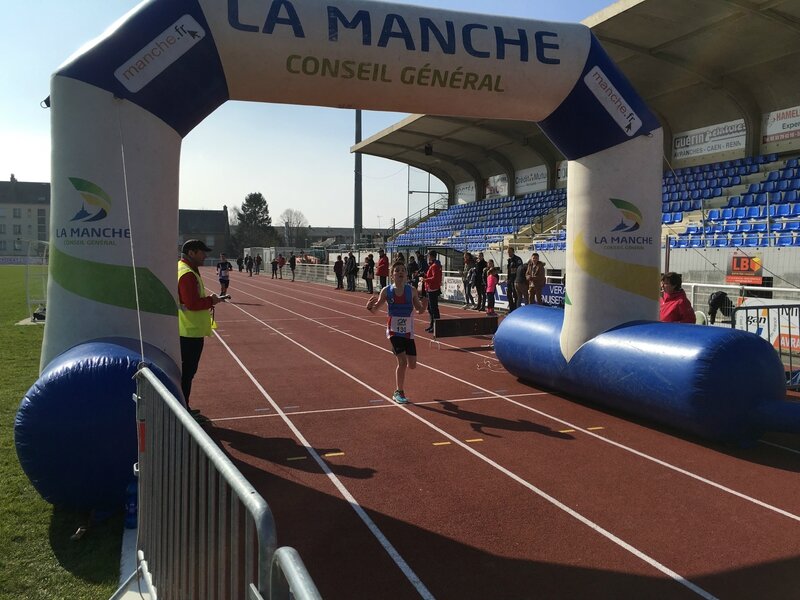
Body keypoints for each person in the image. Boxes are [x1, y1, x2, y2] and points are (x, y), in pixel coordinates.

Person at [366, 261, 428, 404]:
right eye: (397, 270)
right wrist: (369, 307)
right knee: (402, 361)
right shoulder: (386, 291)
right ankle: (398, 392)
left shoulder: (412, 291)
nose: (400, 272)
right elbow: (375, 310)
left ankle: (399, 388)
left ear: (406, 274)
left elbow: (419, 310)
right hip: (393, 331)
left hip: (408, 332)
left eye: (403, 270)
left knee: (412, 365)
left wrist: (424, 304)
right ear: (392, 275)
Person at [177, 239, 223, 420]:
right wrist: (211, 301)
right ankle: (183, 410)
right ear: (191, 253)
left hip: (188, 330)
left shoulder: (186, 269)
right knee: (187, 373)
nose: (205, 256)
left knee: (187, 373)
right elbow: (192, 303)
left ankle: (183, 407)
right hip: (189, 332)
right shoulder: (187, 273)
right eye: (202, 252)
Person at [422, 249, 442, 333]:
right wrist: (424, 275)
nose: (428, 257)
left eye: (428, 255)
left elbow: (435, 278)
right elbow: (431, 276)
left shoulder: (434, 266)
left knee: (433, 308)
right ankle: (432, 325)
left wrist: (426, 280)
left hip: (433, 289)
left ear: (431, 256)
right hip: (430, 288)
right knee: (430, 308)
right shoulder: (433, 265)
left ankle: (436, 326)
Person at [505, 247, 523, 311]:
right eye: (508, 252)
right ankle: (511, 308)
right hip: (510, 280)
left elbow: (520, 270)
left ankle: (515, 308)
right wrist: (507, 279)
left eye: (509, 252)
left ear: (513, 252)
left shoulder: (517, 259)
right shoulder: (509, 260)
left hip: (516, 280)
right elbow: (509, 271)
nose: (508, 253)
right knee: (509, 294)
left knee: (516, 295)